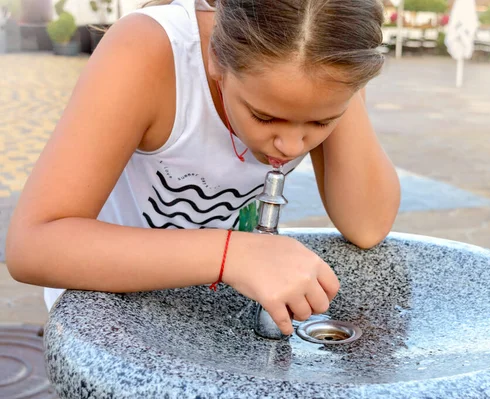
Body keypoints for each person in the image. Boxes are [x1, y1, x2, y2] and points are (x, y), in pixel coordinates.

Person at [6, 0, 401, 335]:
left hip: (204, 305)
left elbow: (367, 225)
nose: (291, 145)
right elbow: (33, 246)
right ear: (215, 57)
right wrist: (233, 255)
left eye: (319, 124)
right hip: (107, 314)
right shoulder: (149, 50)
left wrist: (341, 87)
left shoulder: (324, 65)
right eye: (264, 117)